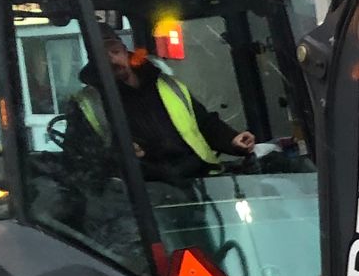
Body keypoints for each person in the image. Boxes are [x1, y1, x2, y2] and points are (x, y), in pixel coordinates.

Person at [64, 26, 256, 183]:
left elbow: (204, 123)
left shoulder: (168, 85)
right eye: (102, 56)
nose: (112, 60)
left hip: (199, 179)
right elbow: (80, 160)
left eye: (115, 51)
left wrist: (232, 140)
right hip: (144, 192)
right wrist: (118, 155)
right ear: (92, 61)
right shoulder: (87, 103)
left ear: (126, 52)